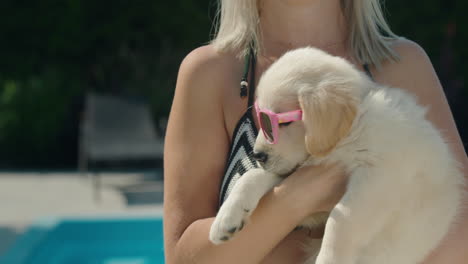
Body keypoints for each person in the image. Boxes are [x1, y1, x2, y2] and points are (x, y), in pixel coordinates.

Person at [163, 0, 468, 263]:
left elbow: (460, 239)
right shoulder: (209, 73)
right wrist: (305, 193)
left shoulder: (403, 64)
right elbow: (182, 259)